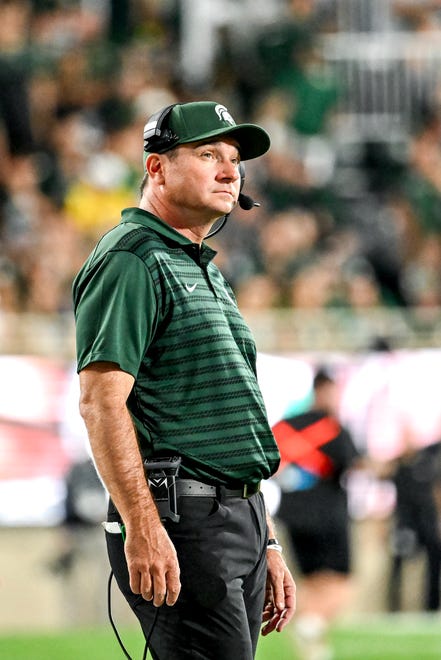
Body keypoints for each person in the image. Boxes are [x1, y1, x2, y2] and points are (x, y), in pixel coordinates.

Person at [73, 100, 296, 660]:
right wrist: (141, 526)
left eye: (234, 160)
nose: (229, 171)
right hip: (182, 518)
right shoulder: (132, 258)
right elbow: (102, 403)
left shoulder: (198, 264)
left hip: (232, 516)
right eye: (208, 155)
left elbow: (226, 418)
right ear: (157, 168)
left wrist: (262, 534)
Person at [271, 367, 359, 660]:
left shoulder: (285, 427)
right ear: (325, 390)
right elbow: (350, 464)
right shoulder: (333, 428)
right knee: (341, 582)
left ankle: (313, 649)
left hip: (293, 516)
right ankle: (312, 625)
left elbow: (270, 463)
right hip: (328, 516)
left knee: (312, 581)